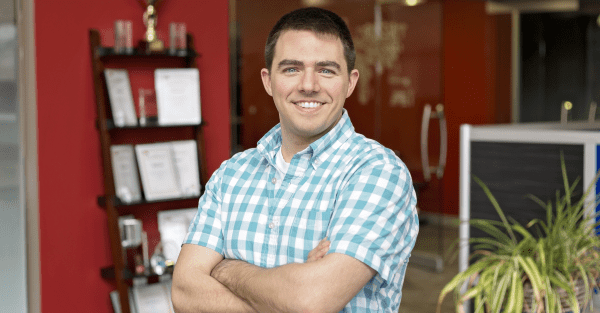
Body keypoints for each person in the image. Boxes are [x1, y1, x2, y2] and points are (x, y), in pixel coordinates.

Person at [171, 7, 418, 313]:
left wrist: (226, 269)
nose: (309, 85)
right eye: (291, 69)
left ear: (351, 82)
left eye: (326, 70)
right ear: (268, 80)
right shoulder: (231, 175)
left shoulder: (378, 173)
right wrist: (288, 293)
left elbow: (309, 300)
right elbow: (183, 291)